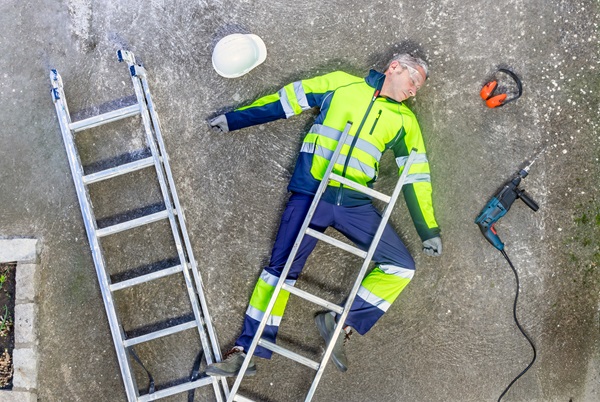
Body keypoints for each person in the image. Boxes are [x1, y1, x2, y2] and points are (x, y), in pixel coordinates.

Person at [205, 53, 442, 377]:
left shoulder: (405, 122)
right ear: (394, 68)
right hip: (312, 195)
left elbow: (416, 176)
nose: (414, 91)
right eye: (414, 81)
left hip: (355, 205)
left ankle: (341, 326)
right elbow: (286, 100)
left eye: (419, 88)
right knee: (278, 272)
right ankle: (244, 353)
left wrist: (427, 229)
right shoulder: (341, 84)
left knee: (401, 267)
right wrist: (235, 119)